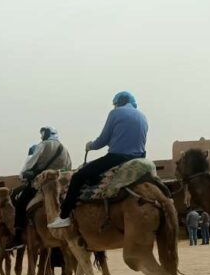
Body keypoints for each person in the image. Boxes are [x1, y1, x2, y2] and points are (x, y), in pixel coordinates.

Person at [49, 91, 148, 228]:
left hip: (117, 157)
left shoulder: (116, 113)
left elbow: (103, 139)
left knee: (78, 176)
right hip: (140, 157)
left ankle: (64, 216)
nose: (114, 107)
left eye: (115, 104)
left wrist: (91, 146)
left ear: (119, 102)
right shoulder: (142, 116)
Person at [9, 126, 73, 250]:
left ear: (47, 133)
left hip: (43, 182)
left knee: (21, 202)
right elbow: (69, 166)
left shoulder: (43, 145)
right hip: (61, 184)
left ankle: (18, 236)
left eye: (42, 133)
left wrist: (23, 174)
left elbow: (31, 162)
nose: (41, 136)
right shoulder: (64, 148)